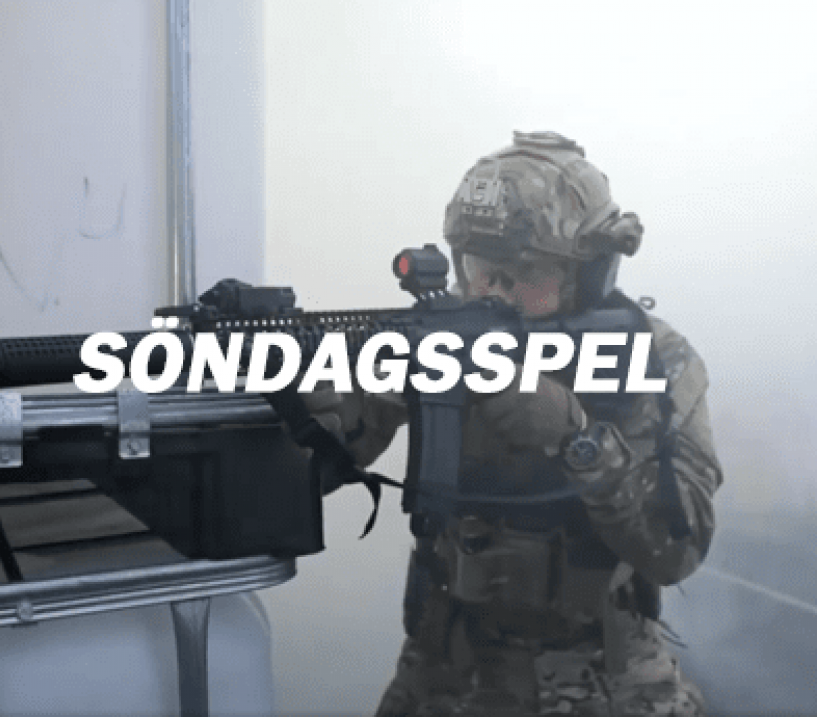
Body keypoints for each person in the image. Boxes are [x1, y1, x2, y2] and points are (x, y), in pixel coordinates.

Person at [309, 131, 722, 716]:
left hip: (604, 681)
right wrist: (313, 410)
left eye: (525, 272)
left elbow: (677, 552)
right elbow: (318, 468)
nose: (496, 292)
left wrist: (576, 438)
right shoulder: (437, 339)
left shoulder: (657, 361)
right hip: (447, 675)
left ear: (588, 273)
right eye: (481, 269)